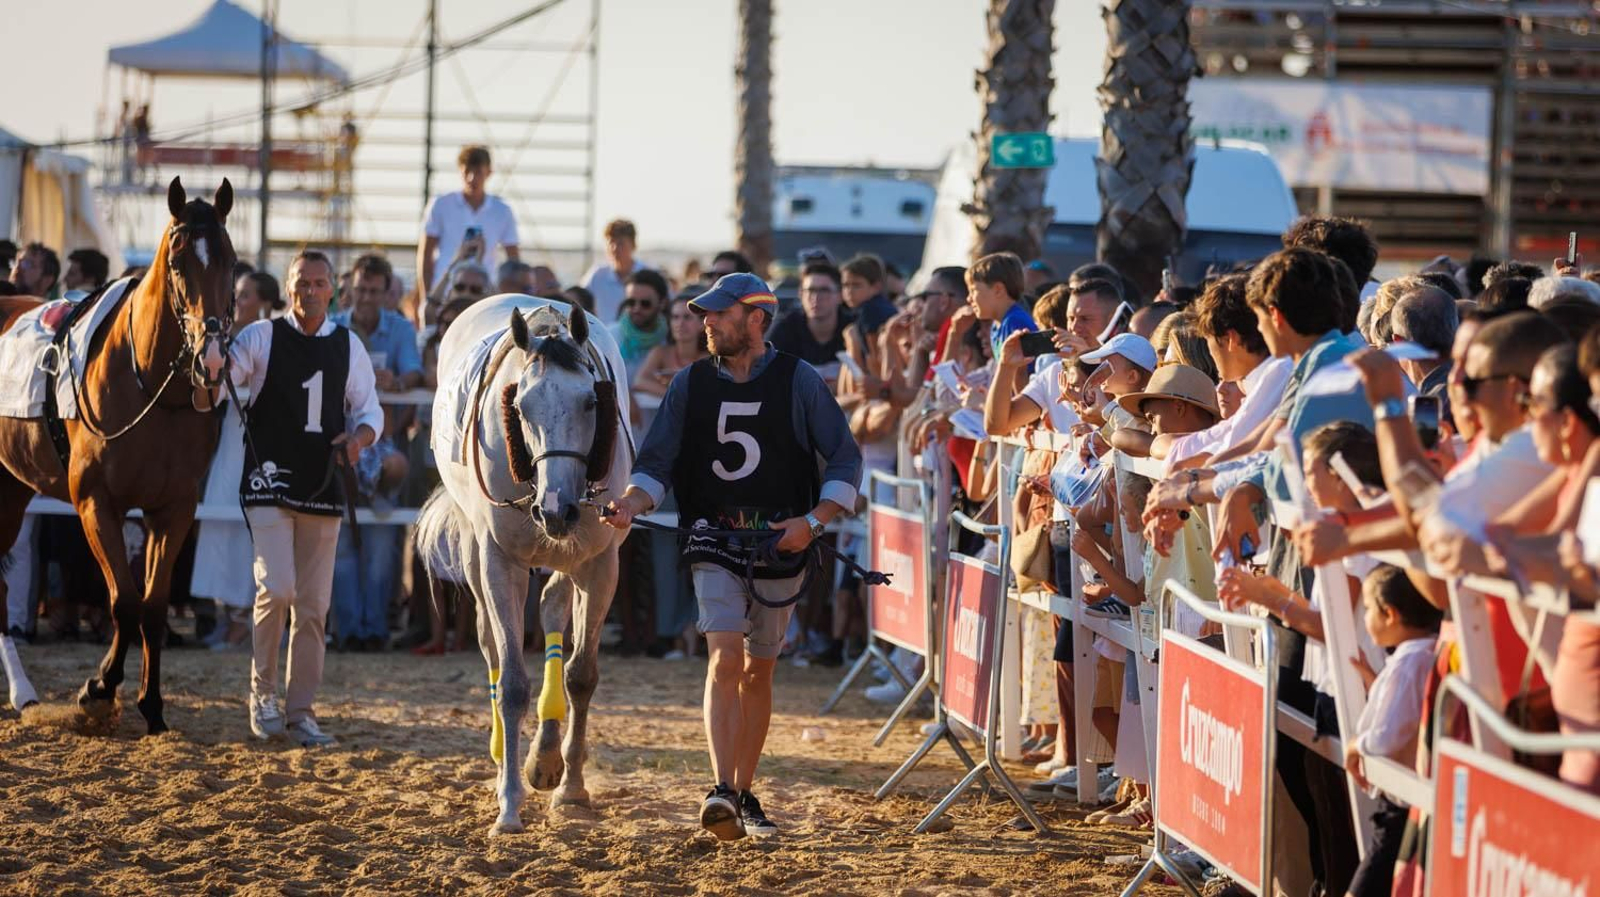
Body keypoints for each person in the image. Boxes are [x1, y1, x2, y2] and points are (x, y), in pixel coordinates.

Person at [601, 272, 863, 841]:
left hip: (782, 542)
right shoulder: (690, 382)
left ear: (756, 318)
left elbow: (845, 458)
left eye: (720, 313)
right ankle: (720, 789)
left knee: (759, 669)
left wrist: (813, 523)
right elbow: (656, 463)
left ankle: (744, 792)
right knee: (723, 656)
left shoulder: (799, 379)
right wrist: (629, 503)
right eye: (706, 314)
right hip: (712, 538)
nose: (708, 322)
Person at [229, 250, 383, 748]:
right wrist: (212, 357)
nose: (310, 291)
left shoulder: (347, 344)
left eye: (319, 283)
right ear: (288, 286)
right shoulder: (260, 336)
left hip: (322, 483)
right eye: (301, 282)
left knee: (314, 606)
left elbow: (370, 412)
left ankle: (301, 712)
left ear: (333, 290)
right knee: (277, 588)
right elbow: (222, 378)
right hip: (269, 482)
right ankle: (263, 694)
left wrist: (357, 441)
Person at [328, 255, 420, 652]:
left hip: (384, 443)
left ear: (386, 293)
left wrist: (395, 381)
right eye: (361, 289)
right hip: (340, 445)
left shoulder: (400, 329)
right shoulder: (333, 326)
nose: (366, 297)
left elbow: (414, 373)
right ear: (350, 289)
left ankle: (375, 630)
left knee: (381, 547)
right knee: (342, 543)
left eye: (373, 290)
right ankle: (348, 630)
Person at [191, 270, 285, 651]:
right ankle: (229, 617)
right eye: (236, 293)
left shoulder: (275, 338)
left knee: (251, 531)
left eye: (244, 294)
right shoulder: (224, 340)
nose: (236, 300)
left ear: (264, 302)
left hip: (263, 446)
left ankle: (246, 622)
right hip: (230, 442)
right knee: (219, 525)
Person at [1343, 566, 1442, 897]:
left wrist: (1355, 746)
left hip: (1400, 806)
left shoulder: (1409, 663)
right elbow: (1405, 714)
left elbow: (1386, 737)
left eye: (1368, 609)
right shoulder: (1424, 654)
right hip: (1411, 804)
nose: (1364, 617)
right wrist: (1373, 681)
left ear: (1390, 614)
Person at [416, 145, 520, 297]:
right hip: (444, 293)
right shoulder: (441, 204)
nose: (472, 178)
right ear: (460, 171)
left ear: (489, 172)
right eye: (467, 171)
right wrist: (427, 297)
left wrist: (504, 299)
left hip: (484, 295)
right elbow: (425, 255)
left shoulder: (502, 210)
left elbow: (513, 262)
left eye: (478, 172)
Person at [765, 261, 851, 376]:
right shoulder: (784, 330)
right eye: (810, 290)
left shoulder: (854, 329)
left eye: (824, 290)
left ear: (840, 295)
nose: (816, 297)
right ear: (801, 294)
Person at [581, 218, 651, 322]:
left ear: (633, 245)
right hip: (603, 332)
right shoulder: (597, 275)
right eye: (611, 242)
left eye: (620, 243)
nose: (614, 248)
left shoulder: (649, 275)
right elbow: (579, 301)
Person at [611, 268, 671, 381]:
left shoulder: (671, 338)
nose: (637, 308)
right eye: (631, 302)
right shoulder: (610, 337)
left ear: (662, 303)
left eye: (645, 304)